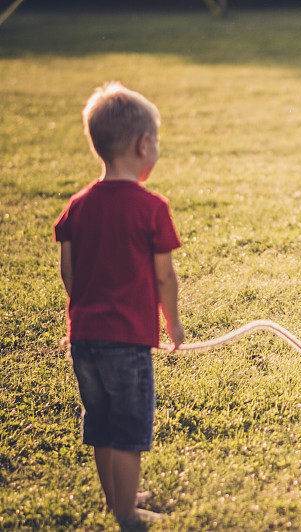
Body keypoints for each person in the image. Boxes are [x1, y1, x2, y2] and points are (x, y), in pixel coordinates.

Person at [54, 82, 184, 525]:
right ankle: (128, 515)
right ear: (143, 144)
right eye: (157, 141)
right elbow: (165, 276)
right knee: (128, 431)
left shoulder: (78, 205)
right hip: (125, 344)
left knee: (102, 426)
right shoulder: (152, 208)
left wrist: (83, 306)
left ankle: (116, 497)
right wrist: (174, 326)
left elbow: (67, 269)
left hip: (84, 338)